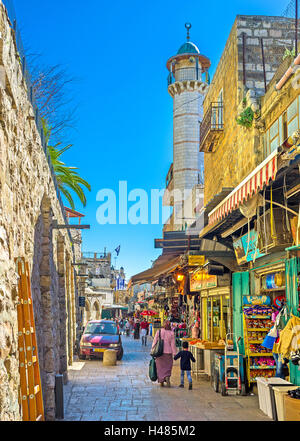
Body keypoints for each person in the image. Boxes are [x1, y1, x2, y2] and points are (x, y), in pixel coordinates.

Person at [151, 320, 177, 387]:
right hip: (168, 353)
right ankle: (167, 376)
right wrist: (174, 353)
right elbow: (173, 344)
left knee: (160, 367)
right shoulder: (171, 333)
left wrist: (152, 350)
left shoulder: (159, 332)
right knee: (168, 366)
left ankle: (161, 380)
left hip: (159, 353)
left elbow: (154, 341)